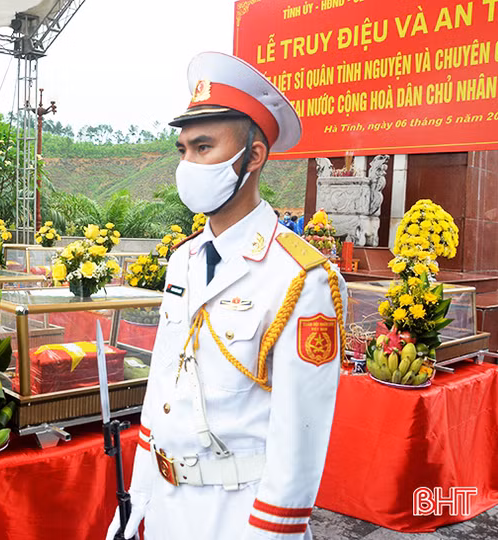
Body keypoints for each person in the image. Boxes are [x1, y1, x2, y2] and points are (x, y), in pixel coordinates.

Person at [107, 52, 346, 540]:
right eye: (183, 150)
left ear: (253, 157)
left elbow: (300, 432)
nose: (188, 164)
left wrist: (272, 531)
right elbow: (162, 394)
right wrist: (136, 503)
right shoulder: (185, 259)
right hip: (170, 507)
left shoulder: (300, 276)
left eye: (204, 147)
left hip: (238, 515)